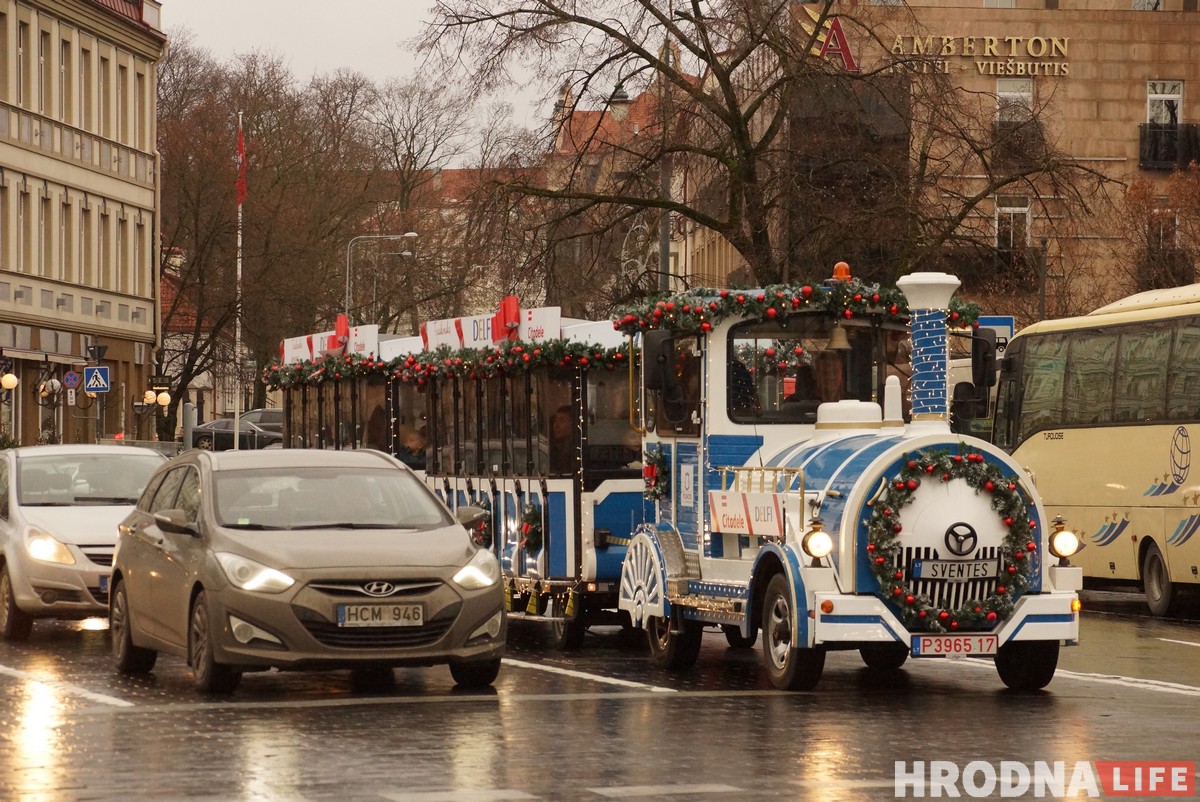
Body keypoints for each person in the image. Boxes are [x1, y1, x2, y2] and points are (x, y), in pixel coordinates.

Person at [548, 405, 574, 473]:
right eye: (555, 421)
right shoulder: (551, 449)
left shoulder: (578, 451)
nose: (556, 425)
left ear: (572, 424)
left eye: (562, 421)